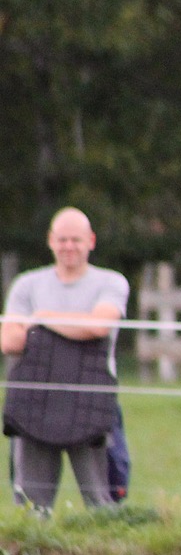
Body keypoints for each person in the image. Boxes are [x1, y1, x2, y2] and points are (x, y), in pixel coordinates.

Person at [2, 207, 129, 511]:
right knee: (30, 506)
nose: (69, 246)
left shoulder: (111, 282)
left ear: (91, 241)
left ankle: (104, 539)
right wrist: (75, 329)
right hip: (36, 400)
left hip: (92, 400)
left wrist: (42, 318)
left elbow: (99, 326)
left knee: (103, 502)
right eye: (62, 239)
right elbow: (9, 341)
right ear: (50, 240)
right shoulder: (27, 284)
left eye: (76, 240)